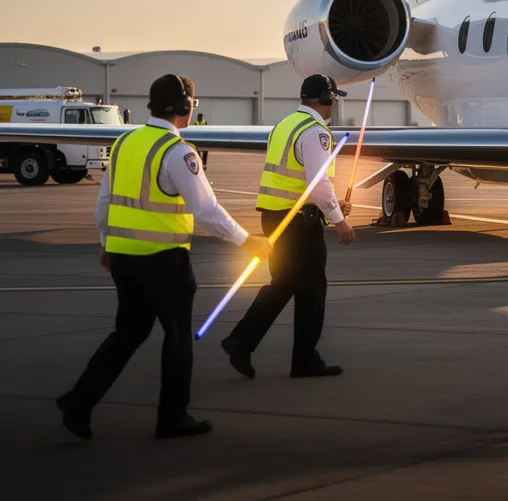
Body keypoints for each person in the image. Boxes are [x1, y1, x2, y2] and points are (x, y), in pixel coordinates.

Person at [57, 74, 271, 440]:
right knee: (177, 339)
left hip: (124, 258)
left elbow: (104, 201)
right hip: (164, 262)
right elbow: (206, 211)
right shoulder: (178, 152)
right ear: (184, 106)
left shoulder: (125, 142)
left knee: (127, 334)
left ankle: (80, 400)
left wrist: (107, 243)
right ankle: (171, 417)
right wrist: (248, 241)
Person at [222, 74, 354, 379]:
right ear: (323, 98)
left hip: (274, 217)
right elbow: (318, 183)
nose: (334, 102)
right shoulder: (315, 132)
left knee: (283, 283)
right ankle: (304, 360)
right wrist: (339, 220)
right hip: (297, 225)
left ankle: (241, 341)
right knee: (312, 290)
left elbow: (298, 182)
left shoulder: (284, 126)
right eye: (333, 97)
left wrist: (328, 207)